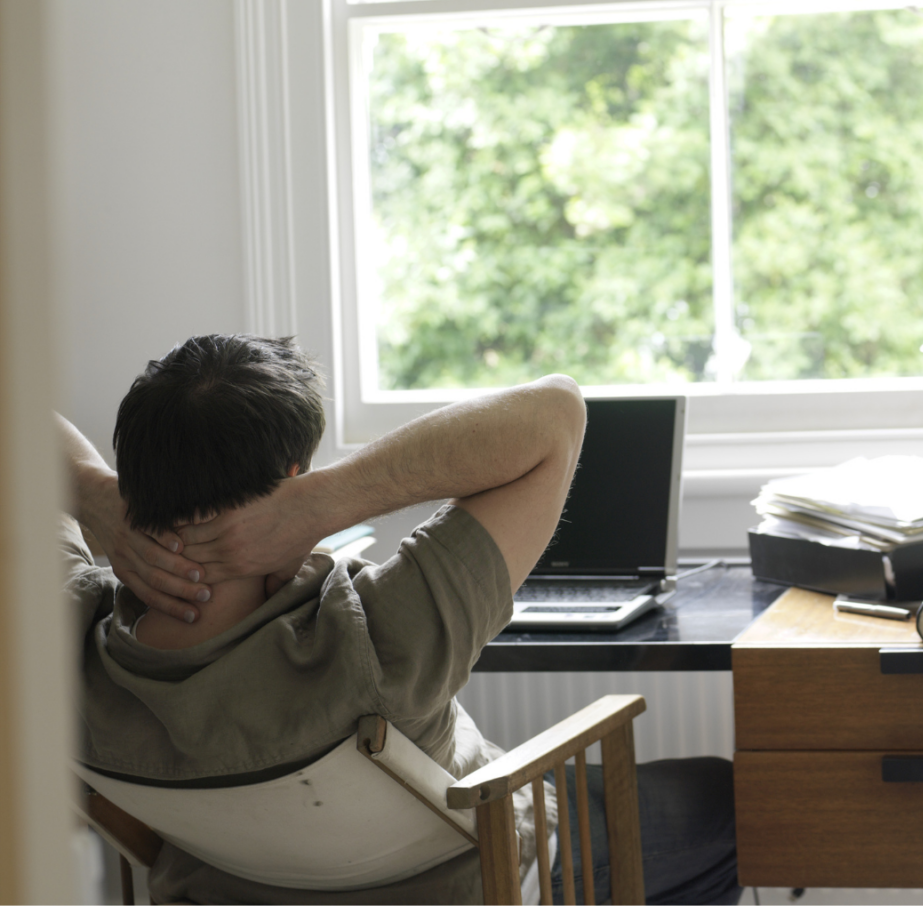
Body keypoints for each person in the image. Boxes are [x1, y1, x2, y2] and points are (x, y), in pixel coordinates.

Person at [61, 334, 739, 904]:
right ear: (292, 475)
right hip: (484, 877)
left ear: (139, 484)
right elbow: (555, 412)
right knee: (737, 803)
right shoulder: (375, 638)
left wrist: (93, 495)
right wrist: (321, 505)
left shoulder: (59, 649)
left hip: (229, 885)